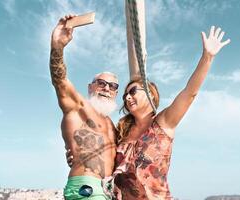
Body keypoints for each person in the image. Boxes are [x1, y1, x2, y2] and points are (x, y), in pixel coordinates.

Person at [112, 26, 230, 199]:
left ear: (150, 93)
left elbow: (189, 93)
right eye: (125, 95)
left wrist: (207, 57)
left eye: (133, 91)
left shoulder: (163, 123)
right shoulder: (122, 131)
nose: (127, 98)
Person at [50, 14, 119, 200]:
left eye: (113, 86)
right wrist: (57, 45)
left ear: (116, 93)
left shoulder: (113, 126)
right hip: (86, 189)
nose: (107, 88)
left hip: (108, 191)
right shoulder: (78, 108)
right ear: (91, 87)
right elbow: (60, 81)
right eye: (102, 83)